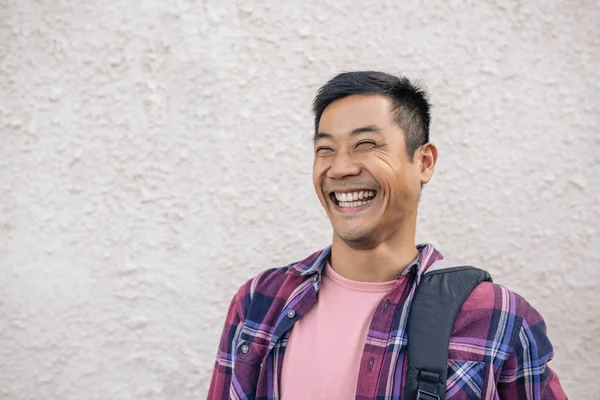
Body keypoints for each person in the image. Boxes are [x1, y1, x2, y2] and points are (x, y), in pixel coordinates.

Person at [207, 71, 567, 399]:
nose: (341, 167)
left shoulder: (498, 318)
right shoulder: (260, 301)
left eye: (366, 145)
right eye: (325, 150)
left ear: (424, 162)